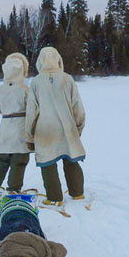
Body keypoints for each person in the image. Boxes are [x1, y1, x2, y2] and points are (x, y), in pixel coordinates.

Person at [25, 46, 86, 205]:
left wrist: (29, 134)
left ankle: (54, 198)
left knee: (48, 163)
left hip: (45, 130)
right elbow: (77, 106)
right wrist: (78, 128)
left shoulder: (36, 82)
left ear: (40, 61)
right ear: (58, 59)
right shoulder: (67, 79)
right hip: (67, 128)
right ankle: (77, 193)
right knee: (71, 158)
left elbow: (32, 110)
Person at [0, 53, 32, 194]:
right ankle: (14, 188)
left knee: (2, 158)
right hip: (21, 125)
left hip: (5, 125)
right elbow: (32, 107)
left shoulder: (1, 89)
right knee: (19, 159)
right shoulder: (24, 89)